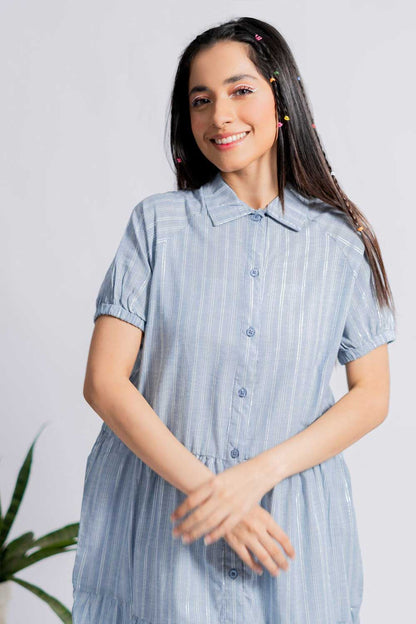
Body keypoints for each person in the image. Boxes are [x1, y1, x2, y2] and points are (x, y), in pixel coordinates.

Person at [71, 16, 397, 624]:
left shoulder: (339, 242)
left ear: (282, 98)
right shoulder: (157, 226)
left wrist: (254, 479)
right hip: (167, 518)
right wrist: (211, 492)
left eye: (240, 90)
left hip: (288, 523)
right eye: (201, 100)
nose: (220, 116)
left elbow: (371, 396)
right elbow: (104, 383)